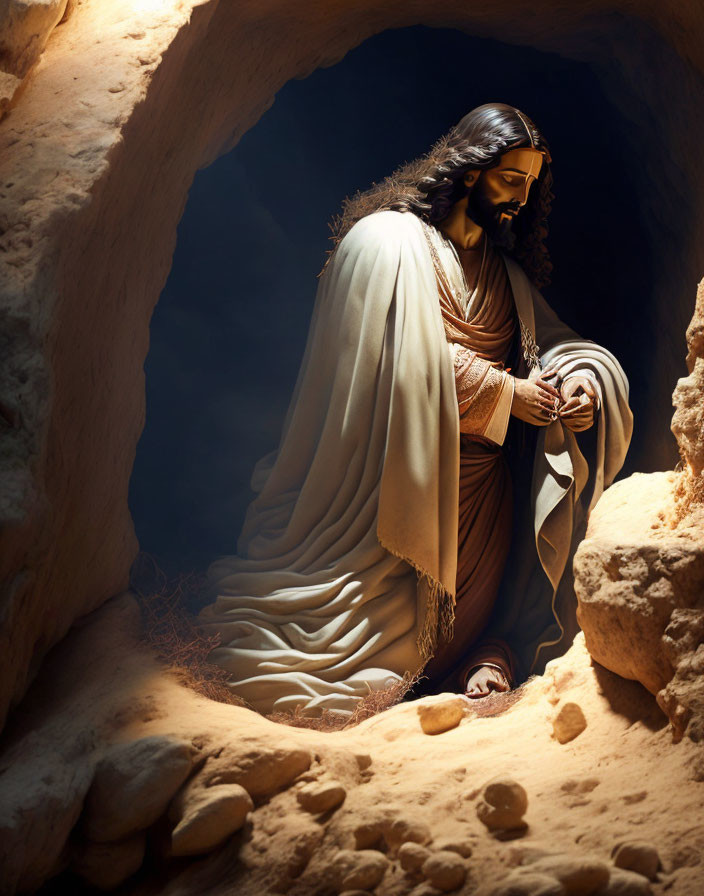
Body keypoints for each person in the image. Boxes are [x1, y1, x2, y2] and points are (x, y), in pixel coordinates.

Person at [197, 103, 633, 716]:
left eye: (531, 184)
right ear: (469, 170)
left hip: (480, 505)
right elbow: (384, 365)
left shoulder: (504, 274)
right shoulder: (385, 242)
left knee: (459, 633)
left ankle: (483, 649)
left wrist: (578, 382)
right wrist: (510, 395)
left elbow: (557, 344)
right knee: (368, 665)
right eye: (511, 179)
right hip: (386, 503)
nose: (520, 197)